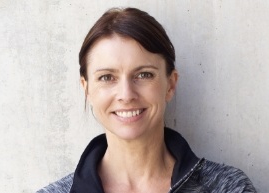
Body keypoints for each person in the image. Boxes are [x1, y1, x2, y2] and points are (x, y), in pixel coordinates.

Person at [37, 7, 256, 193]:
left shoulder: (228, 188)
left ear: (170, 84)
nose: (126, 94)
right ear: (87, 89)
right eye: (107, 77)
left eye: (144, 75)